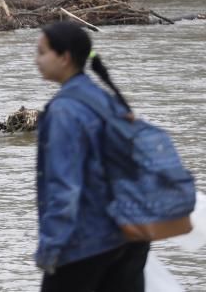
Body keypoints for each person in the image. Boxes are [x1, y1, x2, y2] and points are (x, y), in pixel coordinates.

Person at [33, 22, 150, 292]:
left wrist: (50, 248)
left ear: (65, 58)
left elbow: (64, 187)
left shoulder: (64, 110)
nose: (36, 60)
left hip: (86, 242)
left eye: (41, 52)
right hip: (131, 237)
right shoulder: (106, 99)